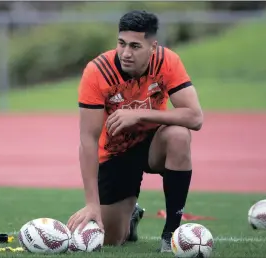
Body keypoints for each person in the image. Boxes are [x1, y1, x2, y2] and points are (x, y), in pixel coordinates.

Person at [67, 10, 203, 252]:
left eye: (135, 46)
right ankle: (130, 219)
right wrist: (92, 204)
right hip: (115, 153)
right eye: (121, 44)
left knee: (179, 135)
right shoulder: (97, 71)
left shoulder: (167, 61)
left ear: (153, 47)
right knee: (109, 240)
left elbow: (195, 117)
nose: (126, 53)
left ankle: (171, 233)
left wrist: (139, 114)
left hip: (153, 145)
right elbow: (87, 139)